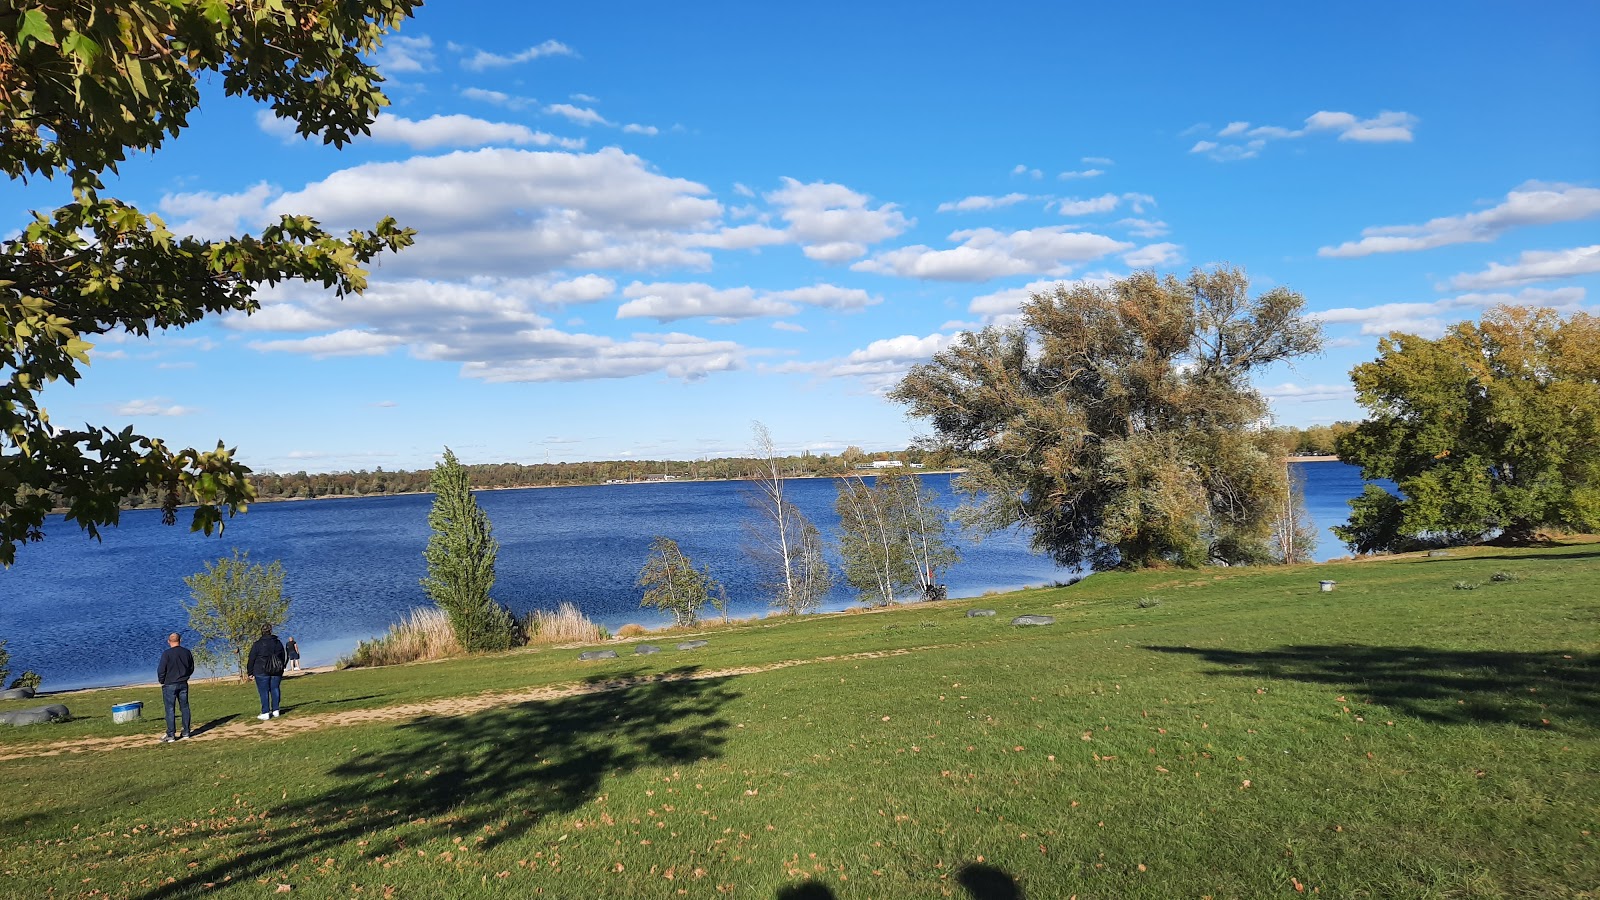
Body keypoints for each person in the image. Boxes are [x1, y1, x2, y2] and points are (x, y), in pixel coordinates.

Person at [156, 632, 194, 743]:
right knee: (185, 707)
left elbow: (161, 669)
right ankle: (186, 731)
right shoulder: (186, 652)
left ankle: (171, 734)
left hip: (170, 684)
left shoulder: (166, 654)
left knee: (170, 709)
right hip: (183, 683)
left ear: (169, 641)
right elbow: (191, 667)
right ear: (180, 640)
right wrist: (186, 676)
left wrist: (162, 681)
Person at [246, 624, 288, 721]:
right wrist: (282, 667)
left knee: (263, 691)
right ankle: (276, 710)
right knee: (275, 689)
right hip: (276, 670)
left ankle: (265, 712)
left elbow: (251, 658)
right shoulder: (277, 643)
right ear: (271, 631)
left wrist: (250, 672)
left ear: (262, 631)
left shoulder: (257, 644)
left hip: (261, 670)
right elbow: (282, 655)